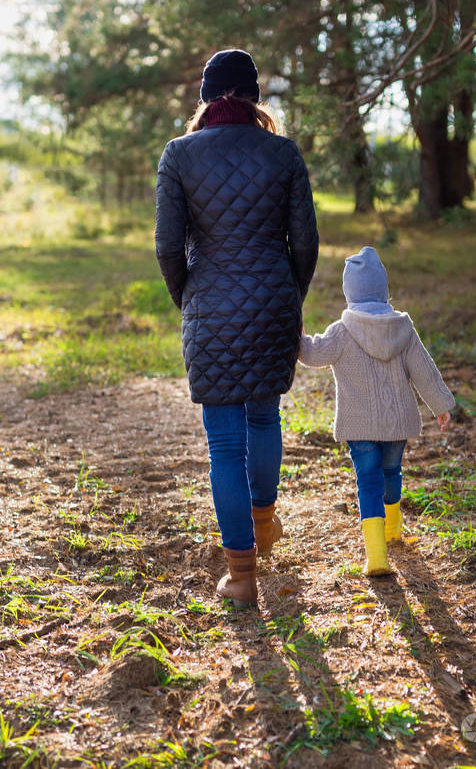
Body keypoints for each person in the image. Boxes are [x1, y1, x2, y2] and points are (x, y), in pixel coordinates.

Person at [155, 48, 318, 608]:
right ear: (253, 96)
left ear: (206, 97)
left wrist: (191, 299)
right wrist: (287, 297)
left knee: (224, 443)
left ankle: (242, 575)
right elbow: (307, 243)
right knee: (264, 413)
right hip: (274, 300)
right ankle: (264, 520)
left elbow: (167, 247)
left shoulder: (178, 156)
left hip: (211, 307)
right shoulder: (284, 153)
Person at [298, 246, 454, 576]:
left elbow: (314, 355)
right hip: (397, 424)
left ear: (349, 293)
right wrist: (441, 406)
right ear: (384, 290)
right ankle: (393, 530)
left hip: (360, 426)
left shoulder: (342, 331)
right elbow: (425, 372)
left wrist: (298, 339)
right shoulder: (403, 328)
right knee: (391, 472)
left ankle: (377, 554)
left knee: (367, 482)